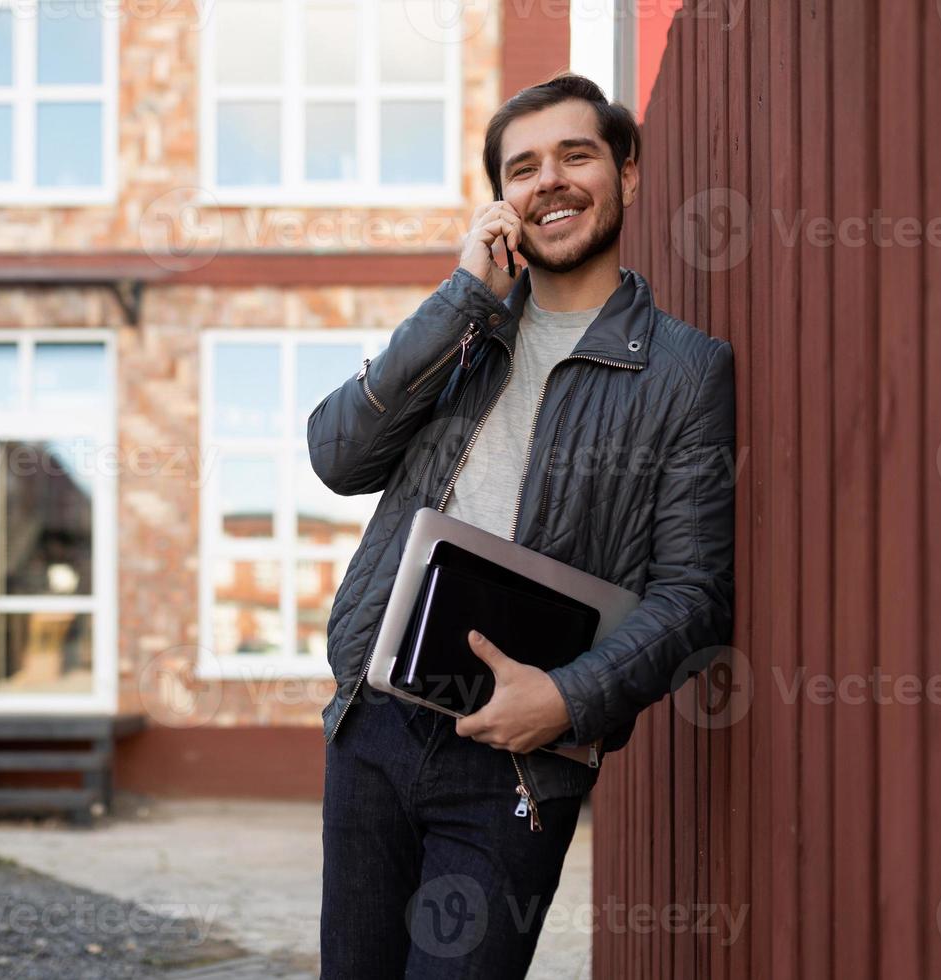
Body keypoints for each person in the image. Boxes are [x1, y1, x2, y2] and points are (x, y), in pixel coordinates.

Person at [310, 74, 737, 978]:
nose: (550, 181)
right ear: (499, 199)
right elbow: (338, 457)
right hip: (374, 722)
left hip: (520, 760)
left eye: (575, 155)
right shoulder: (463, 330)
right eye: (523, 167)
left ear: (628, 173)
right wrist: (462, 295)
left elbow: (694, 594)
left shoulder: (687, 369)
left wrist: (570, 699)